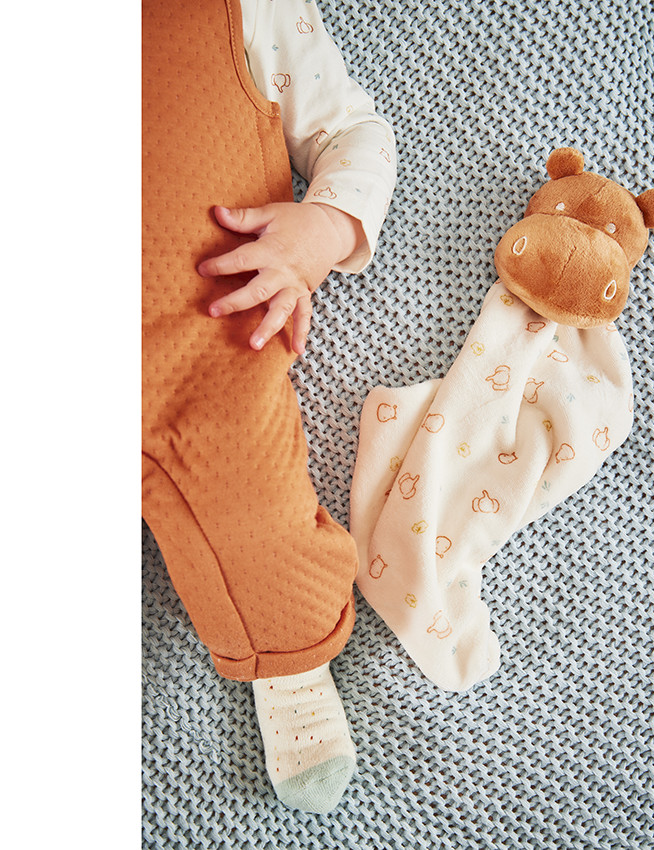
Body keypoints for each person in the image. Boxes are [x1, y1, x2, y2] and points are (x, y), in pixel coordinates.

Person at [142, 0, 396, 815]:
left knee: (258, 531)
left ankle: (288, 659)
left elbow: (352, 134)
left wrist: (321, 230)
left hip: (203, 349)